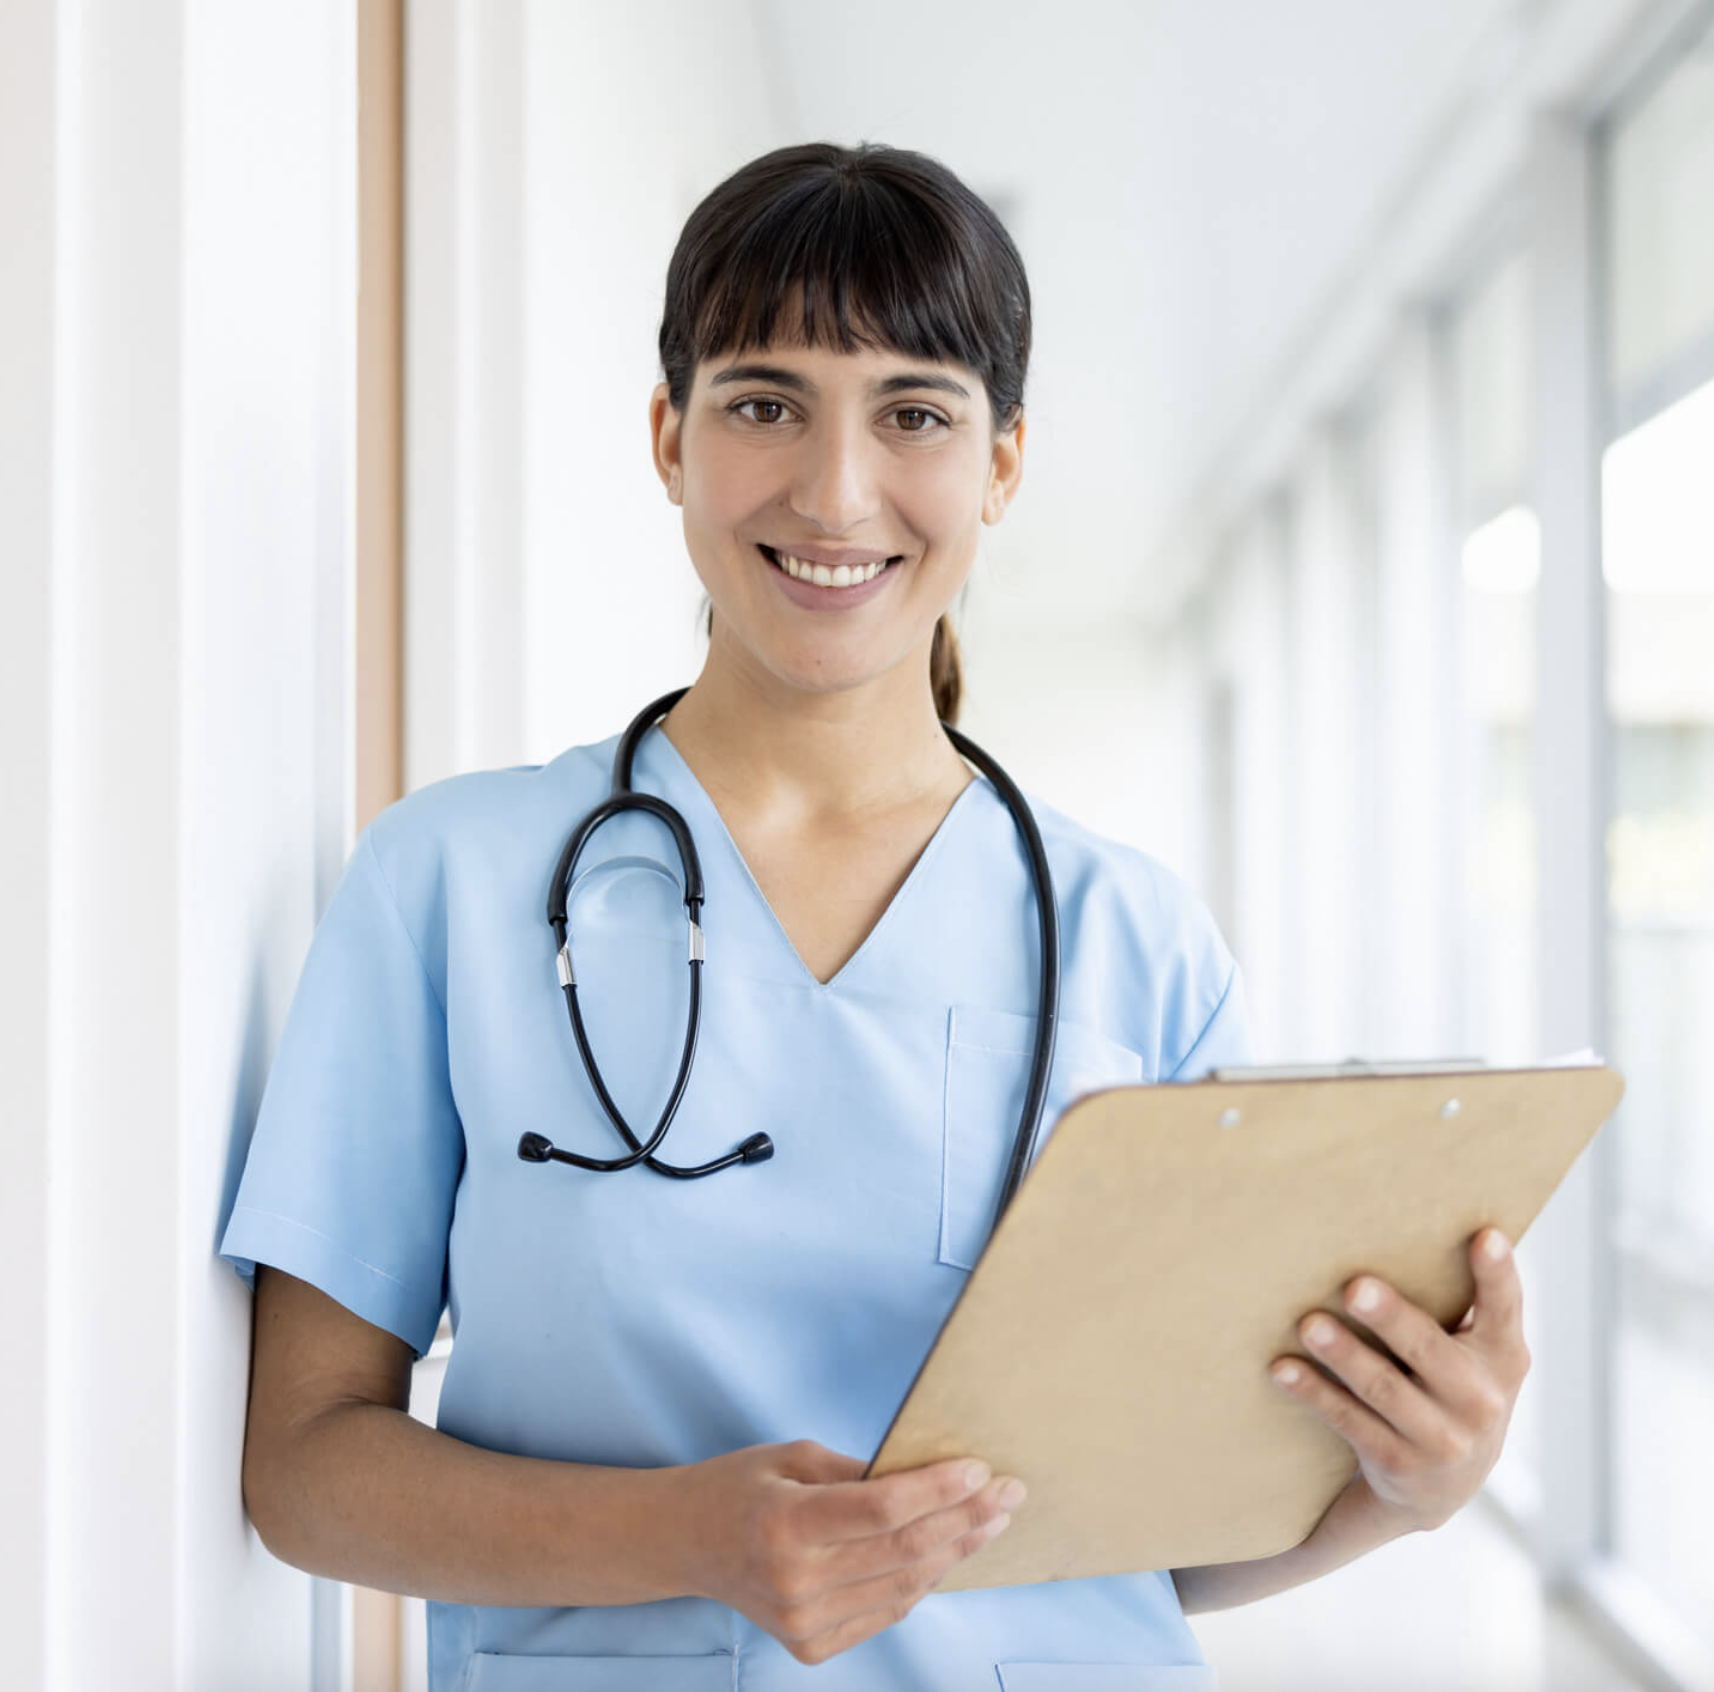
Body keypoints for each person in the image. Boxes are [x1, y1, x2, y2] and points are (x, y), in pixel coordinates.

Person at [223, 141, 1531, 1691]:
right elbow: (304, 1466)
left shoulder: (1133, 941)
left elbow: (1162, 1536)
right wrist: (685, 1538)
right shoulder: (447, 884)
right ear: (669, 438)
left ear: (1001, 462)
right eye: (763, 402)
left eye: (913, 411)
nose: (834, 489)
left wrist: (1400, 1492)